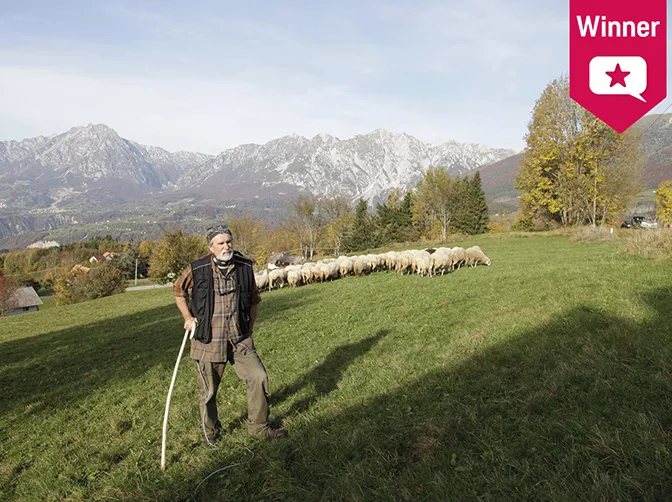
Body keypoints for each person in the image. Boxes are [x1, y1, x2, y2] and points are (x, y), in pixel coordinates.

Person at [173, 224, 287, 442]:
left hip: (240, 339)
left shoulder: (244, 266)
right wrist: (188, 317)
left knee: (259, 376)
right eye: (221, 243)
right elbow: (178, 291)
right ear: (211, 247)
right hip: (208, 339)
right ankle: (211, 433)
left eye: (229, 241)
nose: (227, 246)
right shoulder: (197, 269)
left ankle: (259, 429)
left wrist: (249, 327)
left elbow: (254, 300)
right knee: (208, 392)